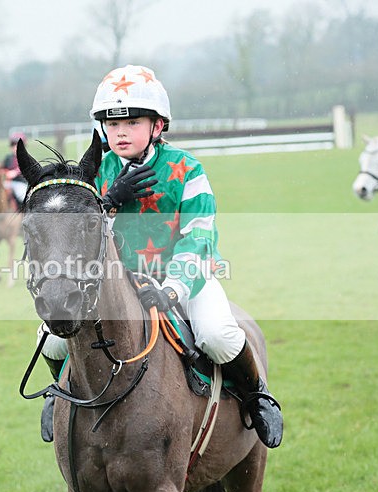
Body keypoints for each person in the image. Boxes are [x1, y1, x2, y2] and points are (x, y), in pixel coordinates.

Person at [38, 64, 283, 449]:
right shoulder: (95, 172)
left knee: (218, 335)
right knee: (51, 338)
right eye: (111, 123)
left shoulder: (188, 169)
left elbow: (198, 237)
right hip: (116, 286)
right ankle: (58, 393)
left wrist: (172, 290)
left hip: (183, 279)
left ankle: (257, 397)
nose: (119, 132)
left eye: (132, 122)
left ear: (157, 125)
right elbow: (77, 236)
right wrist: (107, 203)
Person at [2, 132, 29, 206]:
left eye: (17, 145)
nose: (15, 147)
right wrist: (5, 172)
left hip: (20, 183)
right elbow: (2, 168)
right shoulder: (8, 158)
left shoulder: (26, 158)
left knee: (23, 197)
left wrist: (15, 172)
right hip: (8, 182)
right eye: (13, 145)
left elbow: (27, 168)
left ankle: (24, 213)